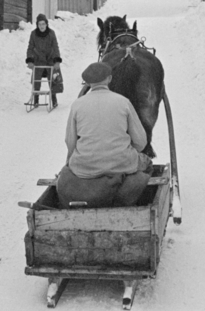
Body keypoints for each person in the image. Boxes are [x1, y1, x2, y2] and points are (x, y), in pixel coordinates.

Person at [56, 61, 153, 208]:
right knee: (147, 164)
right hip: (123, 162)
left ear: (88, 83)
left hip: (83, 166)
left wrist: (73, 160)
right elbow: (141, 141)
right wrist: (125, 151)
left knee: (67, 173)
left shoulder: (77, 105)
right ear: (109, 79)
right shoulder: (123, 102)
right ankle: (133, 201)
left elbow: (70, 142)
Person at [25, 13, 62, 108]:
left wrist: (57, 61)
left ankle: (54, 98)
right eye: (39, 24)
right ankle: (36, 99)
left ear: (46, 24)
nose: (41, 26)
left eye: (43, 24)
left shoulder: (51, 33)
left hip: (50, 59)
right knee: (36, 79)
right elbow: (30, 48)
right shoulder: (33, 34)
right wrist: (30, 60)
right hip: (39, 60)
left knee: (53, 78)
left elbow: (55, 47)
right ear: (37, 25)